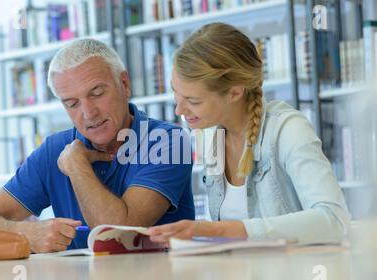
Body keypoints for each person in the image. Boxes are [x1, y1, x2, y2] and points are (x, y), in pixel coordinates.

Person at [0, 39, 194, 252]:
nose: (88, 113)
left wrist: (77, 165)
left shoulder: (168, 140)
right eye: (72, 103)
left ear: (124, 84)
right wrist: (24, 232)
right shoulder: (54, 150)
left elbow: (116, 234)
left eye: (96, 93)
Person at [149, 23, 350, 245]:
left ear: (235, 92)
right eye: (176, 94)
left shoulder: (288, 130)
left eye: (193, 101)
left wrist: (225, 231)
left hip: (295, 275)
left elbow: (334, 220)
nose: (179, 110)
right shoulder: (213, 137)